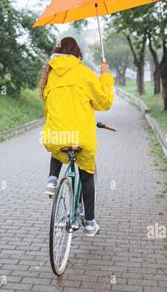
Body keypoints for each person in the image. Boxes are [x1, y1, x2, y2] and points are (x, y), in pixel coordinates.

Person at [39, 37, 114, 237]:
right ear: (77, 54)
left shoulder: (51, 76)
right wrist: (105, 77)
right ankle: (90, 223)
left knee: (59, 142)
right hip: (82, 137)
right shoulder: (83, 73)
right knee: (87, 174)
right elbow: (104, 103)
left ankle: (52, 180)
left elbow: (48, 110)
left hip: (55, 134)